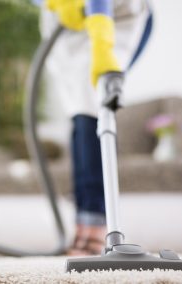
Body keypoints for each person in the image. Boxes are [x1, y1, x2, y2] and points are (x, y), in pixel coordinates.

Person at [39, 0, 152, 255]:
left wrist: (102, 42)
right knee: (79, 109)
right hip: (67, 25)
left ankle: (96, 225)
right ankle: (84, 223)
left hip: (118, 14)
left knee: (91, 103)